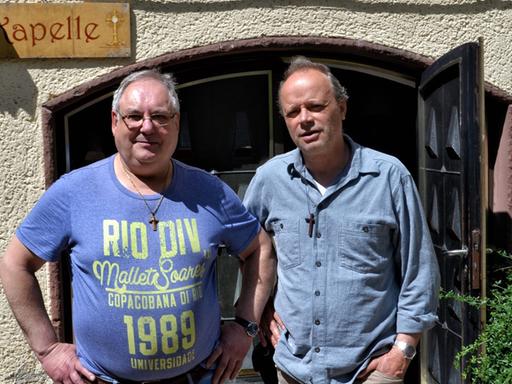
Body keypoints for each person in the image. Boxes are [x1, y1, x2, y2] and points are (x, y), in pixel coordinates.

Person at [0, 69, 276, 384]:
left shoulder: (209, 192)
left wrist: (246, 327)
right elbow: (14, 264)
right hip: (103, 379)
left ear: (176, 123)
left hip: (197, 377)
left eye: (160, 116)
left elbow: (259, 248)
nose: (147, 127)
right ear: (115, 122)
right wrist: (47, 349)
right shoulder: (74, 192)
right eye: (134, 116)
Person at [243, 56, 440, 384]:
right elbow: (249, 251)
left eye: (316, 107)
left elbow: (418, 270)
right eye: (293, 112)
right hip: (293, 366)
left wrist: (403, 350)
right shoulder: (270, 179)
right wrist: (259, 308)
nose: (304, 119)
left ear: (342, 108)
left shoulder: (388, 176)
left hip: (373, 366)